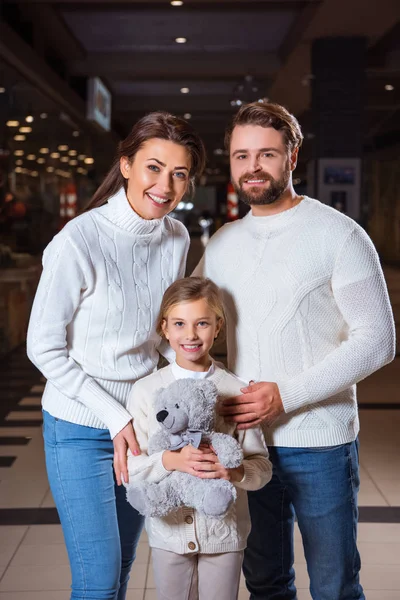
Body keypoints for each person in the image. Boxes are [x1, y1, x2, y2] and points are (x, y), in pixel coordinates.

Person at [193, 101, 396, 600]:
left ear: (292, 156)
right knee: (264, 581)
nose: (252, 167)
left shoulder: (340, 234)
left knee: (334, 585)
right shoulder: (221, 243)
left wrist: (287, 394)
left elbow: (378, 339)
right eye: (241, 156)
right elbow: (191, 329)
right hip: (246, 442)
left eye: (265, 154)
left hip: (320, 441)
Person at [26, 112, 206, 600]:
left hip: (143, 426)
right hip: (80, 427)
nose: (165, 185)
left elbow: (161, 334)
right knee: (99, 579)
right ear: (125, 165)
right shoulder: (78, 240)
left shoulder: (175, 237)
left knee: (123, 566)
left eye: (180, 173)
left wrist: (197, 381)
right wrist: (113, 416)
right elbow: (42, 346)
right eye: (153, 167)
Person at [125, 276, 272, 600]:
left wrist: (233, 473)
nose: (190, 334)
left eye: (202, 323)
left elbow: (261, 467)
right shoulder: (146, 391)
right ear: (164, 327)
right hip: (169, 535)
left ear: (218, 326)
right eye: (179, 323)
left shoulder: (237, 389)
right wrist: (169, 460)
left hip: (224, 535)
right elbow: (132, 468)